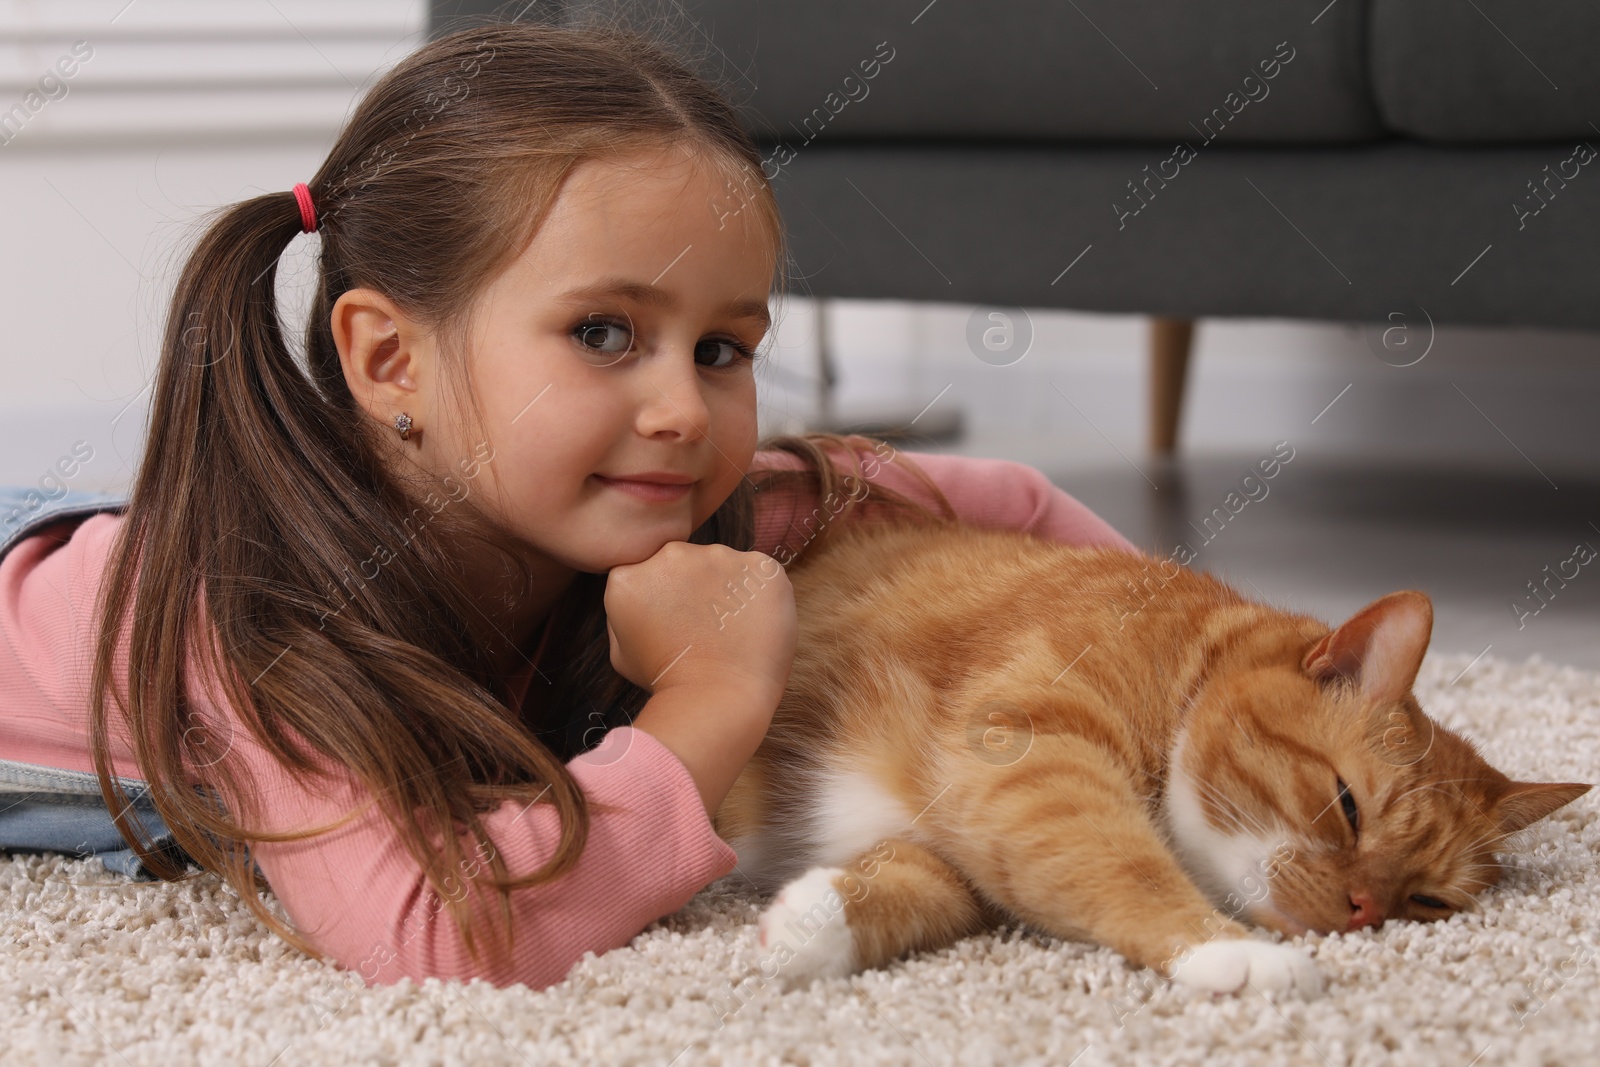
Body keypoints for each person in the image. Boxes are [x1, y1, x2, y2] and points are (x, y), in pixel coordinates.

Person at [0, 19, 1136, 992]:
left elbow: (1018, 517)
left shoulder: (718, 505)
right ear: (391, 360)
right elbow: (443, 932)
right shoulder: (261, 611)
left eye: (724, 347)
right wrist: (709, 694)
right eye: (604, 334)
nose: (684, 408)